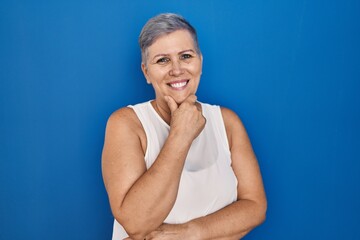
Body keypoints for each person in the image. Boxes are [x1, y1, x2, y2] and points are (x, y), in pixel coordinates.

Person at [102, 13, 267, 240]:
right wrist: (180, 135)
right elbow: (136, 223)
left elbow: (255, 206)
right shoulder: (126, 123)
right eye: (162, 60)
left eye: (186, 56)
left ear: (200, 61)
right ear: (146, 72)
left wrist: (191, 232)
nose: (177, 70)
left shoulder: (227, 122)